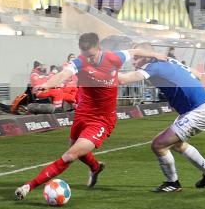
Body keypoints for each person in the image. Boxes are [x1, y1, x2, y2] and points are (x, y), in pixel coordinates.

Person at [14, 34, 164, 200]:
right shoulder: (81, 61)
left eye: (91, 55)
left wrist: (157, 56)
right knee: (77, 151)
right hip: (82, 114)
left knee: (70, 155)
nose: (89, 59)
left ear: (98, 48)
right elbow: (63, 74)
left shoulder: (114, 58)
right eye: (85, 55)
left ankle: (29, 186)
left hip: (102, 120)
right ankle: (95, 167)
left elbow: (134, 50)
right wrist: (47, 85)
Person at [117, 45, 205, 192]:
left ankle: (173, 183)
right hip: (198, 107)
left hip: (197, 111)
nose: (133, 61)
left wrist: (96, 70)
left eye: (136, 57)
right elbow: (198, 74)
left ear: (147, 55)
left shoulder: (153, 66)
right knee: (177, 145)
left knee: (158, 145)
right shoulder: (170, 61)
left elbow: (122, 80)